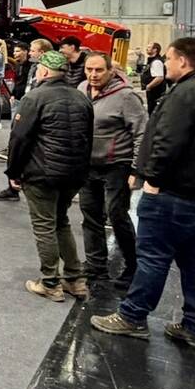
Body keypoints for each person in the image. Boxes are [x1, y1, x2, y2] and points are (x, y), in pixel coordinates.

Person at [91, 38, 195, 353]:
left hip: (180, 191)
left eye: (170, 59)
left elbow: (166, 141)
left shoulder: (185, 94)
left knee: (154, 254)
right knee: (193, 255)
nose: (166, 65)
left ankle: (132, 317)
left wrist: (153, 180)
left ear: (184, 61)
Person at [6, 50, 94, 302]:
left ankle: (51, 282)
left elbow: (20, 138)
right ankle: (75, 279)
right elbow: (88, 137)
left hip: (42, 173)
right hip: (74, 173)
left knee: (44, 225)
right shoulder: (81, 97)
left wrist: (13, 172)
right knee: (60, 221)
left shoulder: (35, 97)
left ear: (43, 71)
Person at [78, 51, 147, 286]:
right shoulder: (82, 89)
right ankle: (96, 266)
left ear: (111, 71)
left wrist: (136, 170)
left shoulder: (126, 97)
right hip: (88, 166)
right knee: (91, 216)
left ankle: (133, 265)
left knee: (117, 215)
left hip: (116, 165)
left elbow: (141, 134)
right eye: (89, 70)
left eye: (98, 70)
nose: (93, 75)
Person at [0, 40, 53, 201]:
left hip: (33, 111)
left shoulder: (46, 71)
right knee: (17, 144)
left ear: (42, 53)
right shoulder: (34, 67)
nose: (31, 53)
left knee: (23, 145)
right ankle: (13, 186)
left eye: (33, 50)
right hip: (25, 105)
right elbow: (28, 86)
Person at [141, 42, 167, 114]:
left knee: (153, 112)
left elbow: (159, 77)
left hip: (156, 93)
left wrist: (149, 86)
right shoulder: (152, 61)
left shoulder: (157, 62)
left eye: (149, 47)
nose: (147, 49)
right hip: (152, 92)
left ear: (155, 50)